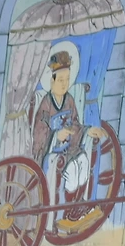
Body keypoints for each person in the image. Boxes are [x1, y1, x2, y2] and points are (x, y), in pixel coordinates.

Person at [31, 49, 102, 229]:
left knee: (83, 161)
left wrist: (87, 131)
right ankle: (66, 211)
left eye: (67, 79)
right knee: (70, 169)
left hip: (70, 149)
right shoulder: (46, 104)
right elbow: (39, 133)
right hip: (51, 153)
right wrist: (56, 136)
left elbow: (75, 124)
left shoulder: (69, 100)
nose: (64, 84)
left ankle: (78, 207)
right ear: (52, 80)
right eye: (60, 80)